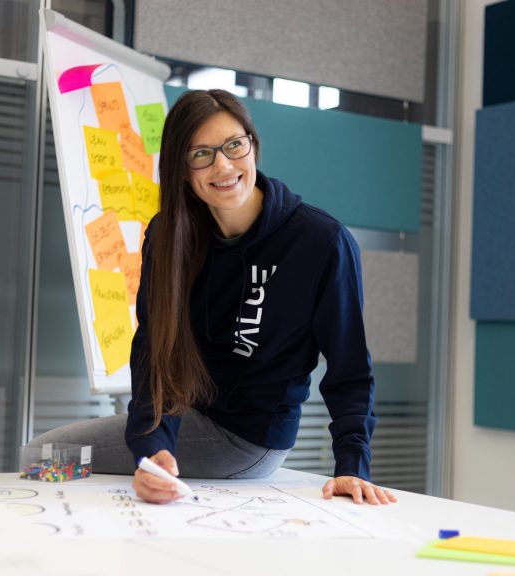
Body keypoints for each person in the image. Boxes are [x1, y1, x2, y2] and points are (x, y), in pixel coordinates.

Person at [30, 89, 396, 508]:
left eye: (234, 145)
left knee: (42, 457)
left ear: (253, 146)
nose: (223, 165)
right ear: (182, 170)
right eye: (201, 154)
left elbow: (349, 366)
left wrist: (352, 464)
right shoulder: (170, 236)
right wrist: (152, 448)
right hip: (193, 420)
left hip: (248, 440)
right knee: (46, 459)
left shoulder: (320, 241)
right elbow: (155, 353)